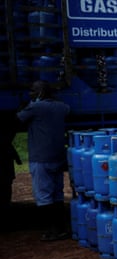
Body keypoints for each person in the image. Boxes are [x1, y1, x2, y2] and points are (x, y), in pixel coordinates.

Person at [16, 80, 71, 241]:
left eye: (33, 91)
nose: (30, 94)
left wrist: (25, 106)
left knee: (43, 195)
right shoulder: (61, 107)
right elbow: (67, 110)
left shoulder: (35, 107)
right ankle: (62, 228)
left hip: (40, 158)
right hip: (58, 157)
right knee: (58, 193)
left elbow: (18, 119)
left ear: (41, 92)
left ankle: (52, 230)